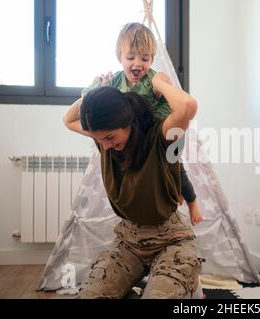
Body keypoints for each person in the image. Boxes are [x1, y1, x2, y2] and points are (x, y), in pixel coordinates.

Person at [63, 74, 201, 298]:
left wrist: (157, 82)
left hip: (170, 240)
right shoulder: (106, 142)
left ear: (128, 122)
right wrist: (99, 90)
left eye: (109, 137)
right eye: (99, 140)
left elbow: (187, 106)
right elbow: (68, 120)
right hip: (128, 241)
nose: (105, 147)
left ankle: (187, 286)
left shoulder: (161, 137)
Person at [70, 22, 202, 225]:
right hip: (137, 138)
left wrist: (161, 86)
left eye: (145, 58)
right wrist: (97, 86)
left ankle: (190, 200)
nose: (138, 64)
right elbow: (89, 104)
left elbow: (186, 106)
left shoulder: (152, 80)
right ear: (120, 58)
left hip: (161, 134)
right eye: (131, 57)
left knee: (176, 168)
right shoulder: (115, 81)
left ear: (151, 59)